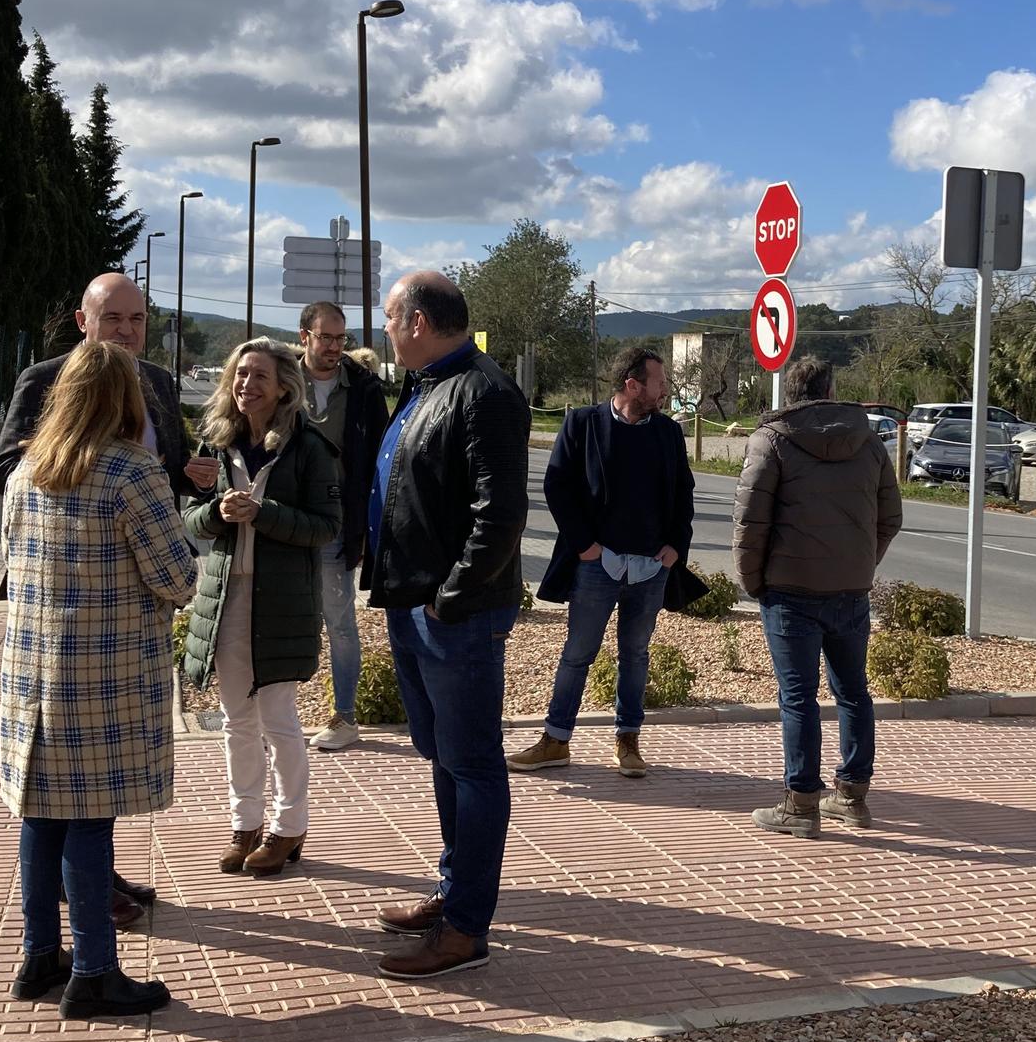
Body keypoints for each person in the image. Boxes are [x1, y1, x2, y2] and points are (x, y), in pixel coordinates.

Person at [0, 270, 220, 927]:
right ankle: (90, 947)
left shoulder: (158, 382)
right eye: (114, 319)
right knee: (87, 782)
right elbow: (7, 469)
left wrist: (181, 474)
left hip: (117, 593)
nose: (126, 331)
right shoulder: (42, 380)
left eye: (137, 320)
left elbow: (160, 471)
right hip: (78, 604)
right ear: (81, 320)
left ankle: (74, 909)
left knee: (81, 788)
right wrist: (85, 487)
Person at [363, 272, 529, 980]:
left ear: (420, 321)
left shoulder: (484, 392)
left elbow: (502, 513)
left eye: (391, 319)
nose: (387, 331)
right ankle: (452, 889)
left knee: (472, 763)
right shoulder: (428, 383)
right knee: (444, 755)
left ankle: (466, 929)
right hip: (414, 604)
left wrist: (451, 597)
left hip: (453, 614)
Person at [178, 340, 340, 877]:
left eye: (259, 377)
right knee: (235, 721)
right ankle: (244, 824)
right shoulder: (215, 441)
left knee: (278, 720)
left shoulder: (309, 447)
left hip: (282, 605)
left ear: (284, 388)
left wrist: (264, 512)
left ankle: (290, 827)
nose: (246, 385)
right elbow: (189, 520)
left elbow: (326, 527)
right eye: (240, 375)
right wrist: (219, 513)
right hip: (224, 599)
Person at [508, 345, 707, 779]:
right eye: (659, 382)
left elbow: (684, 495)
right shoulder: (582, 424)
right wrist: (584, 546)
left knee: (635, 655)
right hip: (597, 565)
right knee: (577, 654)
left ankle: (628, 742)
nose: (664, 390)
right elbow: (557, 485)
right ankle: (555, 740)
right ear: (632, 385)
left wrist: (677, 547)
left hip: (651, 569)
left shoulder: (668, 434)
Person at [733, 356, 902, 840]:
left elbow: (750, 523)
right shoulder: (869, 442)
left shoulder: (771, 441)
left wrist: (754, 582)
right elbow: (890, 517)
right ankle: (852, 796)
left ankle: (800, 803)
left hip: (790, 593)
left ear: (791, 392)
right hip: (851, 591)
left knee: (799, 698)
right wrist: (861, 563)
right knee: (853, 692)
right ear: (831, 389)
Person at [291, 302, 391, 752]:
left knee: (340, 621)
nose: (334, 347)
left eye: (340, 339)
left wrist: (371, 530)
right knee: (286, 617)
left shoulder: (364, 389)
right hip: (285, 520)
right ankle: (280, 718)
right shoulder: (280, 380)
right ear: (304, 336)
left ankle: (344, 716)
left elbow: (380, 461)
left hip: (338, 523)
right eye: (325, 337)